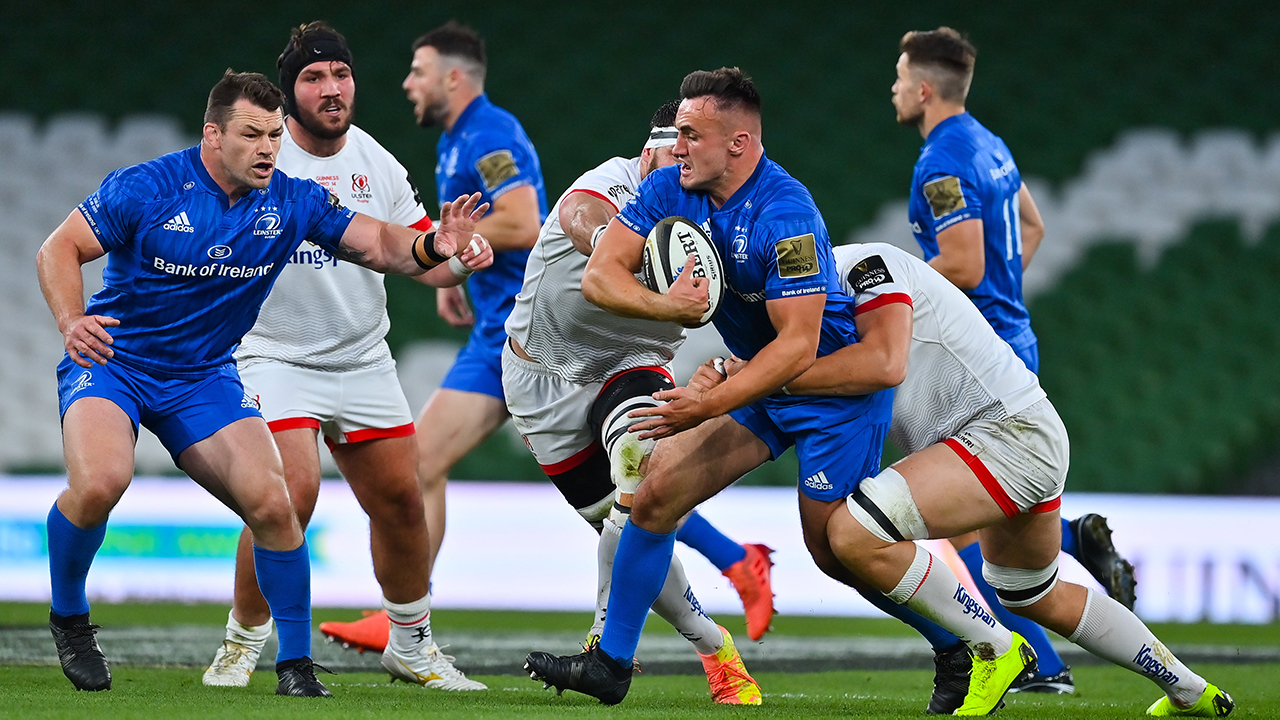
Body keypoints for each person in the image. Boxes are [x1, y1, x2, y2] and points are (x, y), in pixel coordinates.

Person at [35, 69, 486, 697]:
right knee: (101, 483)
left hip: (202, 377)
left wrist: (436, 246)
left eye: (275, 134)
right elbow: (58, 249)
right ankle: (71, 620)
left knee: (276, 505)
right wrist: (70, 320)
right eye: (252, 134)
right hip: (115, 362)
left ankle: (294, 666)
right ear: (213, 135)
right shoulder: (148, 186)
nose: (269, 147)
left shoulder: (293, 201)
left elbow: (381, 244)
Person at [523, 67, 939, 708]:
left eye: (691, 134)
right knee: (656, 489)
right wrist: (672, 310)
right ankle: (610, 663)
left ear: (738, 144)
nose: (676, 145)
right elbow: (599, 277)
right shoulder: (667, 188)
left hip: (832, 392)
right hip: (759, 378)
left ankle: (962, 642)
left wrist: (709, 401)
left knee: (838, 551)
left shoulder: (788, 213)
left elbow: (799, 345)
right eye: (677, 133)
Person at [700, 241, 1234, 717]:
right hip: (1016, 435)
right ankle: (1191, 691)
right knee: (1033, 594)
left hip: (1003, 434)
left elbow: (884, 363)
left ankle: (995, 649)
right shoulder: (807, 314)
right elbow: (782, 368)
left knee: (854, 533)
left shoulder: (865, 267)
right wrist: (729, 375)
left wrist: (748, 382)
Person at [199, 23, 489, 693]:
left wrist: (457, 257)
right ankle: (243, 640)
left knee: (402, 501)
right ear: (288, 93)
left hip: (361, 360)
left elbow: (420, 254)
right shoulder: (256, 159)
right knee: (288, 495)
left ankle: (411, 644)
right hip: (273, 356)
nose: (331, 89)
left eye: (341, 74)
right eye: (313, 77)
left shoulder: (375, 161)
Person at [892, 26, 1136, 694]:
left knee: (961, 512)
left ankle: (1038, 661)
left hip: (976, 357)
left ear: (923, 88)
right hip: (1013, 337)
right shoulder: (990, 144)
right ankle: (1071, 559)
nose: (892, 87)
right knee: (984, 508)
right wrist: (1007, 291)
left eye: (897, 76)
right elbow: (1034, 226)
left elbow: (964, 261)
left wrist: (900, 286)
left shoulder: (941, 163)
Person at [503, 100, 769, 705]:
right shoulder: (616, 182)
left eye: (690, 153)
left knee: (638, 484)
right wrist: (614, 247)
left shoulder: (720, 209)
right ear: (648, 150)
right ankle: (712, 644)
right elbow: (578, 212)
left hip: (630, 368)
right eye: (670, 152)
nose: (677, 166)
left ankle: (604, 654)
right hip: (540, 378)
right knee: (627, 526)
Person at [319, 20, 547, 652]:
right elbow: (474, 231)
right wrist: (449, 272)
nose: (406, 84)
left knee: (607, 492)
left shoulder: (489, 132)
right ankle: (403, 620)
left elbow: (524, 220)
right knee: (421, 466)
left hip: (527, 337)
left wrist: (455, 246)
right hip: (498, 332)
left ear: (452, 76)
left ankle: (401, 619)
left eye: (417, 71)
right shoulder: (457, 140)